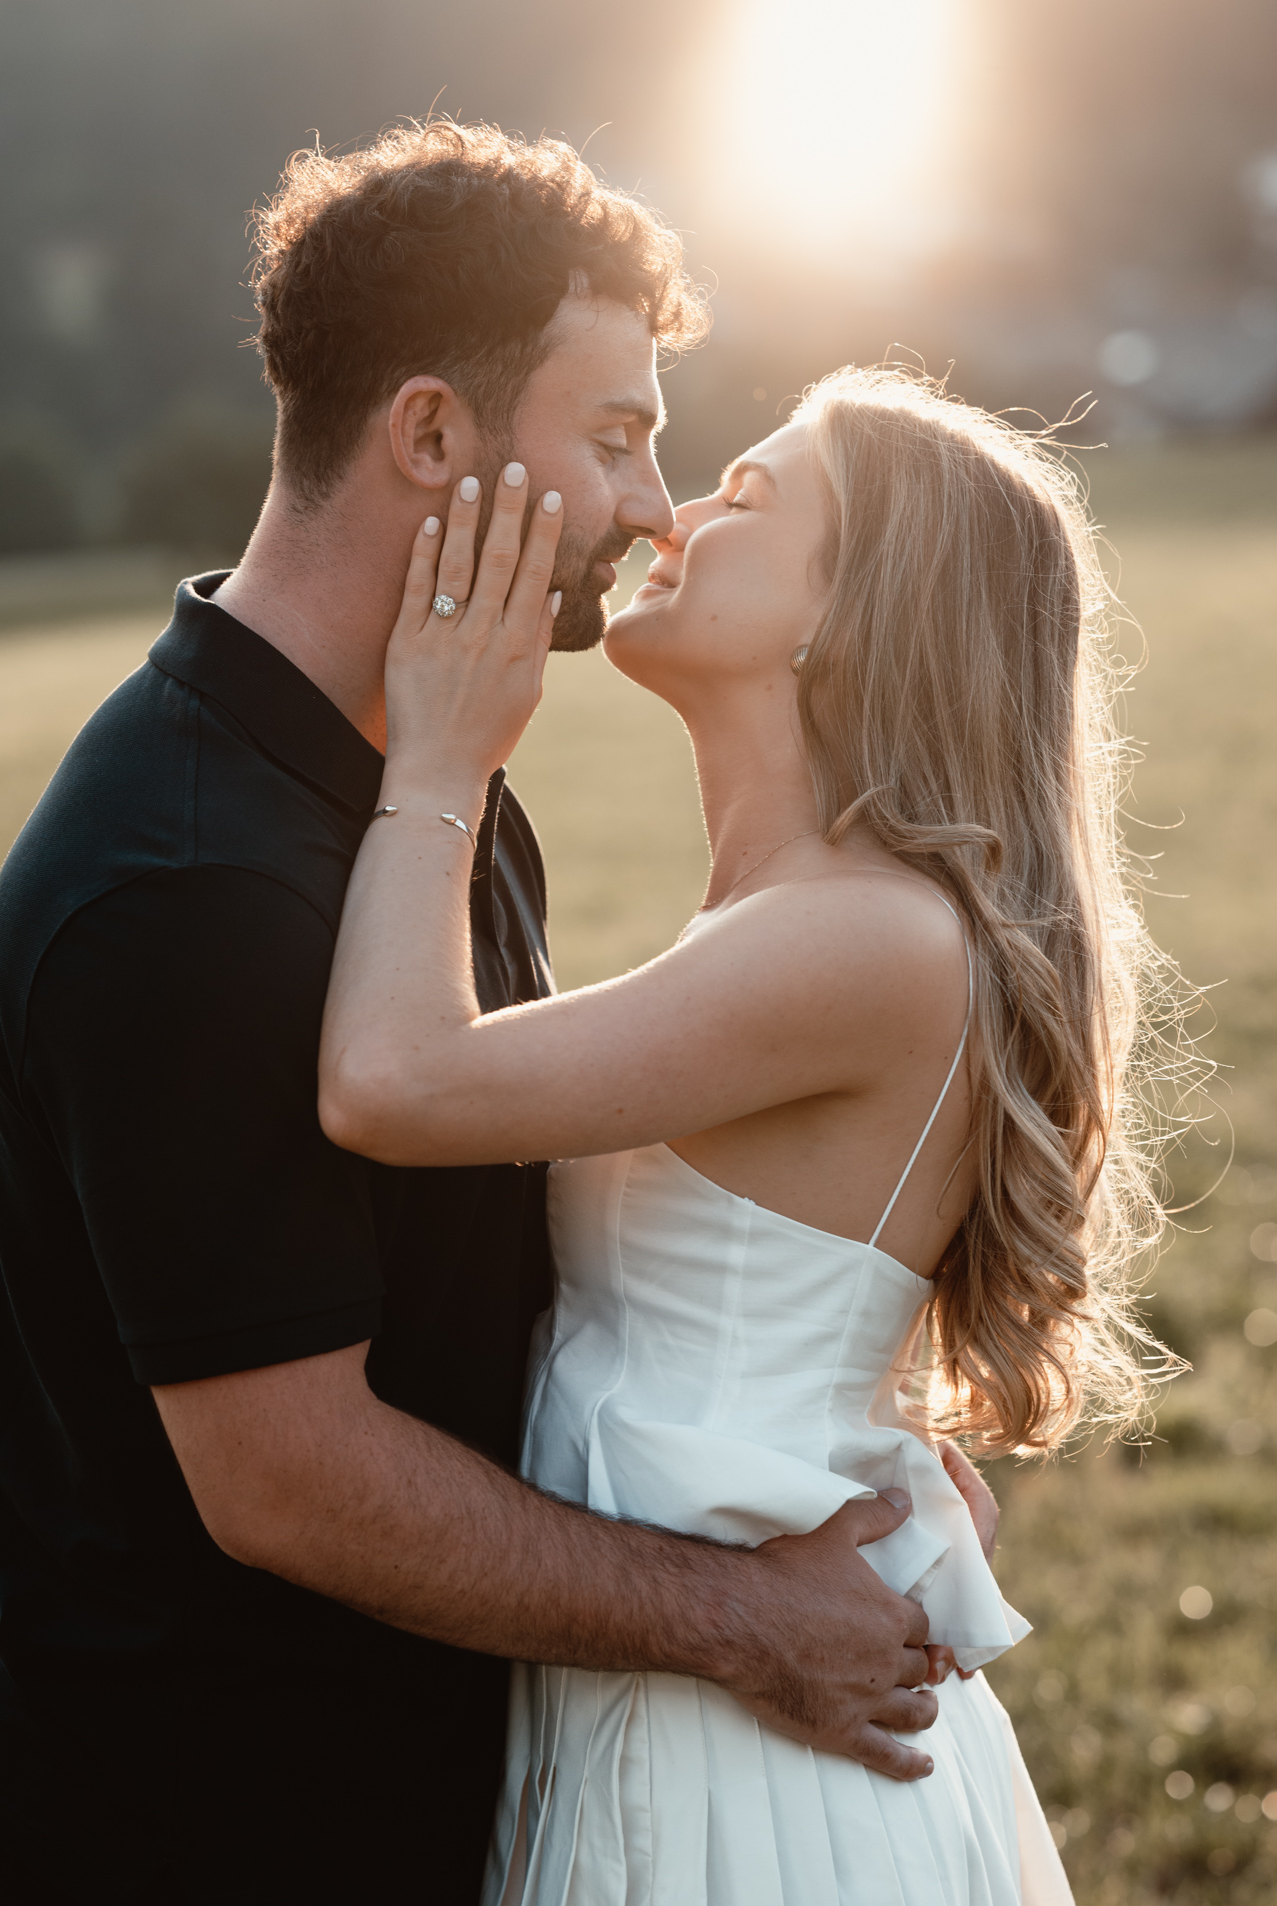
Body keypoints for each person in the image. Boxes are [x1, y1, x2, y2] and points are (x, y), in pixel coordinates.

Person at [0, 125, 945, 1905]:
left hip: (442, 1780)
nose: (655, 508)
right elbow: (287, 1480)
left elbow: (485, 1246)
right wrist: (742, 1613)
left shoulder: (415, 775)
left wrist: (835, 1449)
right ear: (430, 437)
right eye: (614, 438)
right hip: (225, 1820)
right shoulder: (189, 886)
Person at [318, 365, 1176, 1904]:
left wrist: (440, 756)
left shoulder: (858, 939)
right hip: (692, 1659)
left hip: (749, 1767)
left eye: (752, 495)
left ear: (845, 617)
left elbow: (390, 1084)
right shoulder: (799, 921)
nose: (677, 508)